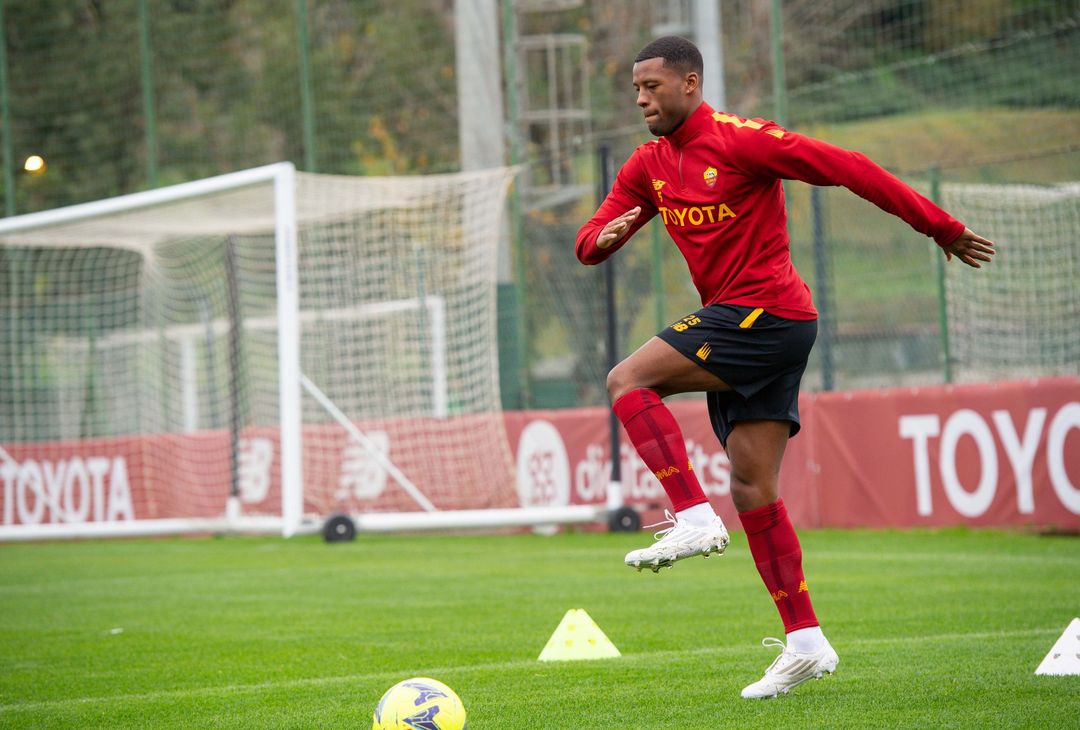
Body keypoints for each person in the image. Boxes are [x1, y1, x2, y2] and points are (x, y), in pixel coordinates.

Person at [575, 36, 995, 700]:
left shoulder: (743, 141)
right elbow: (590, 240)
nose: (640, 99)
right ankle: (806, 642)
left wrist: (938, 226)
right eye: (635, 89)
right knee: (753, 489)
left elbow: (850, 166)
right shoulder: (648, 165)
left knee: (627, 379)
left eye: (652, 87)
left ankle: (690, 513)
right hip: (749, 325)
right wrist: (609, 234)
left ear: (690, 84)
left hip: (766, 315)